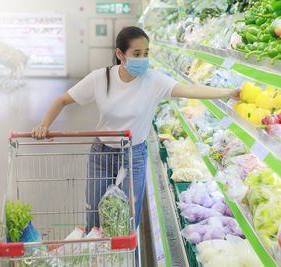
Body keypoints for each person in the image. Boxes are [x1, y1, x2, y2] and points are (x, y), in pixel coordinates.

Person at [32, 26, 240, 233]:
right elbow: (62, 100)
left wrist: (229, 92)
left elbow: (190, 89)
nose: (143, 59)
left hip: (134, 156)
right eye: (137, 54)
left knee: (128, 222)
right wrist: (44, 125)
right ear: (120, 54)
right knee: (94, 218)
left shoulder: (153, 81)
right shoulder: (101, 78)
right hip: (101, 154)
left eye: (146, 53)